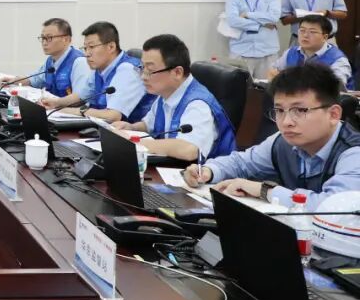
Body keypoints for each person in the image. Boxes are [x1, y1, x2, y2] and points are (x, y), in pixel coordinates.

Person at [184, 63, 360, 210]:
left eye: (300, 110)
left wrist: (266, 191)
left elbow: (334, 208)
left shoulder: (353, 152)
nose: (286, 122)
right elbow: (241, 163)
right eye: (280, 111)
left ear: (333, 114)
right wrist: (208, 171)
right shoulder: (283, 141)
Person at [113, 34, 237, 161]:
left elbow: (189, 150)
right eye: (142, 68)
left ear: (177, 72)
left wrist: (135, 142)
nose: (143, 76)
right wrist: (132, 128)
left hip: (203, 172)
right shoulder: (166, 93)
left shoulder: (198, 105)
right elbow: (149, 125)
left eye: (150, 70)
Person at [41, 21, 153, 123]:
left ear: (111, 47)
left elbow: (113, 115)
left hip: (133, 134)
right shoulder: (100, 67)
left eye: (91, 47)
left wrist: (65, 110)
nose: (87, 54)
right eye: (85, 48)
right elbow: (80, 96)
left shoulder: (127, 70)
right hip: (106, 129)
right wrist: (56, 103)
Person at [225, 0, 281, 78]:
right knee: (239, 87)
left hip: (267, 51)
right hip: (240, 51)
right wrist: (261, 25)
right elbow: (233, 21)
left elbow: (274, 17)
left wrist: (248, 14)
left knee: (266, 87)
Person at [268, 14, 352, 89]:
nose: (305, 35)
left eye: (312, 32)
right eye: (302, 30)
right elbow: (273, 71)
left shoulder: (338, 59)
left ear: (325, 37)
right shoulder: (291, 52)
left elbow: (335, 86)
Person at [28, 18, 90, 98]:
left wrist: (55, 103)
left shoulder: (79, 62)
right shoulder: (50, 61)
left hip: (68, 106)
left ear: (66, 39)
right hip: (53, 105)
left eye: (49, 38)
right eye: (43, 38)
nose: (44, 43)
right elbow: (34, 80)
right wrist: (13, 80)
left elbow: (79, 98)